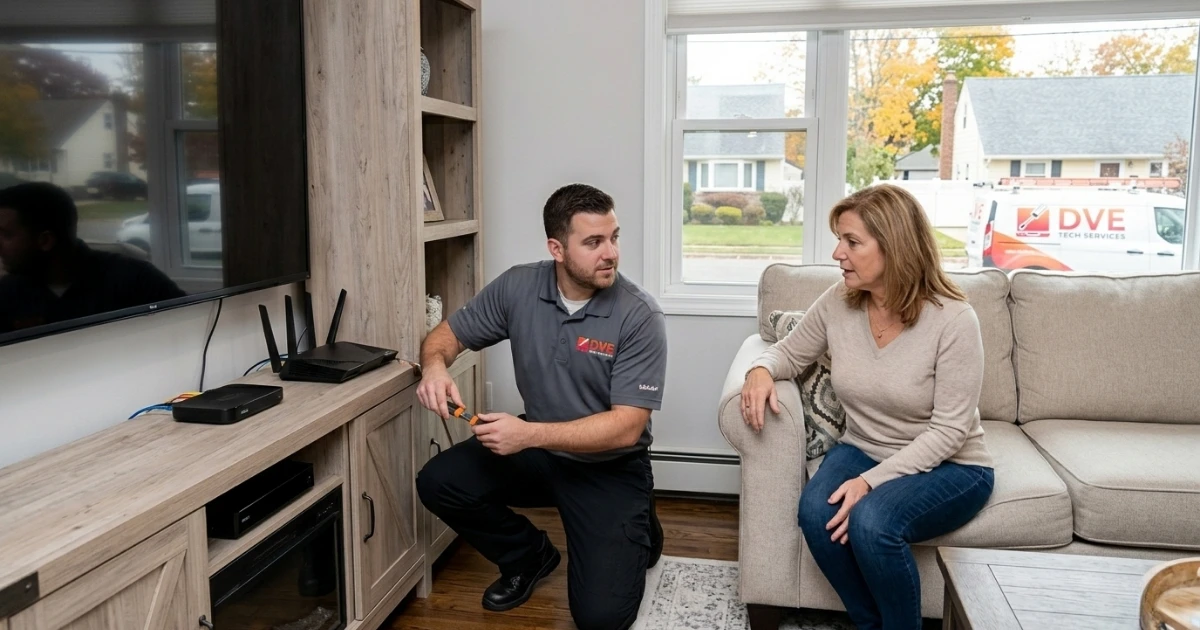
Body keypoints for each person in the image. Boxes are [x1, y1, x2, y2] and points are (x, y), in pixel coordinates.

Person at [739, 184, 994, 630]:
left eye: (852, 242)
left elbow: (950, 432)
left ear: (894, 246)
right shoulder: (840, 300)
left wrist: (869, 482)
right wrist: (760, 370)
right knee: (817, 513)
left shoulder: (953, 319)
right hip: (864, 446)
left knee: (873, 523)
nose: (838, 253)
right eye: (840, 239)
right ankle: (869, 623)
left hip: (951, 465)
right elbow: (789, 352)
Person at [414, 183, 667, 630]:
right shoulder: (518, 286)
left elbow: (628, 427)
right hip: (540, 448)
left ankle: (637, 515)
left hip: (609, 463)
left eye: (614, 237)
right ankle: (529, 557)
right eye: (593, 242)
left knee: (601, 619)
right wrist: (434, 367)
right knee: (439, 482)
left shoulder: (639, 315)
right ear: (556, 248)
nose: (611, 253)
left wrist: (527, 434)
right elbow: (445, 337)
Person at [0, 182, 185, 335]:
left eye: (6, 234)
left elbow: (190, 330)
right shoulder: (6, 294)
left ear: (45, 241)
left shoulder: (137, 281)